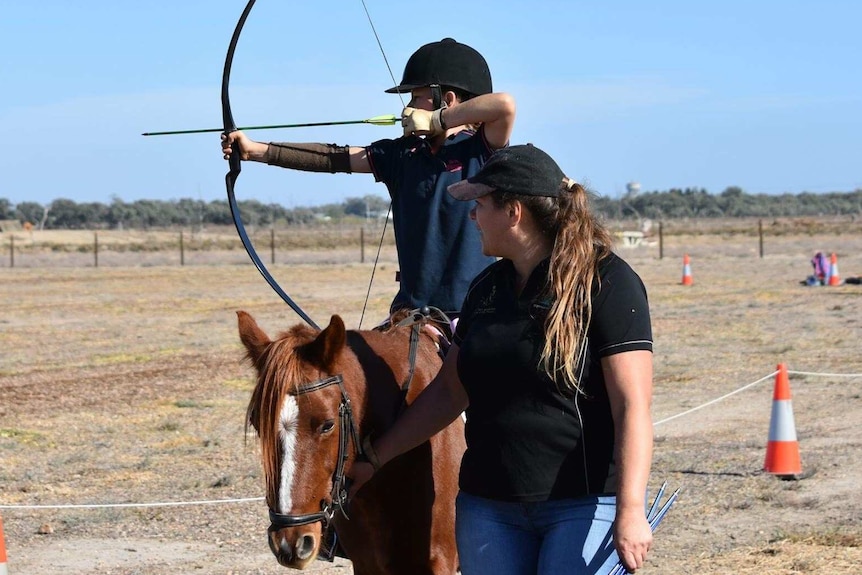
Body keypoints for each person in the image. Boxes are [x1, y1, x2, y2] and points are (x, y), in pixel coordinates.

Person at [349, 144, 656, 575]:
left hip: (581, 507)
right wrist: (376, 459)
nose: (471, 217)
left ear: (513, 212)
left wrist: (630, 509)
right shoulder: (486, 289)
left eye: (479, 204)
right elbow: (449, 393)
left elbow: (632, 407)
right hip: (486, 510)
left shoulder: (609, 283)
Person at [222, 38, 516, 318]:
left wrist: (437, 119)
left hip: (473, 312)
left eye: (416, 97)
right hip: (413, 313)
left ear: (448, 99)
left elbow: (504, 105)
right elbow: (330, 158)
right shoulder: (402, 154)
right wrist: (256, 151)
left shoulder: (481, 149)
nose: (408, 108)